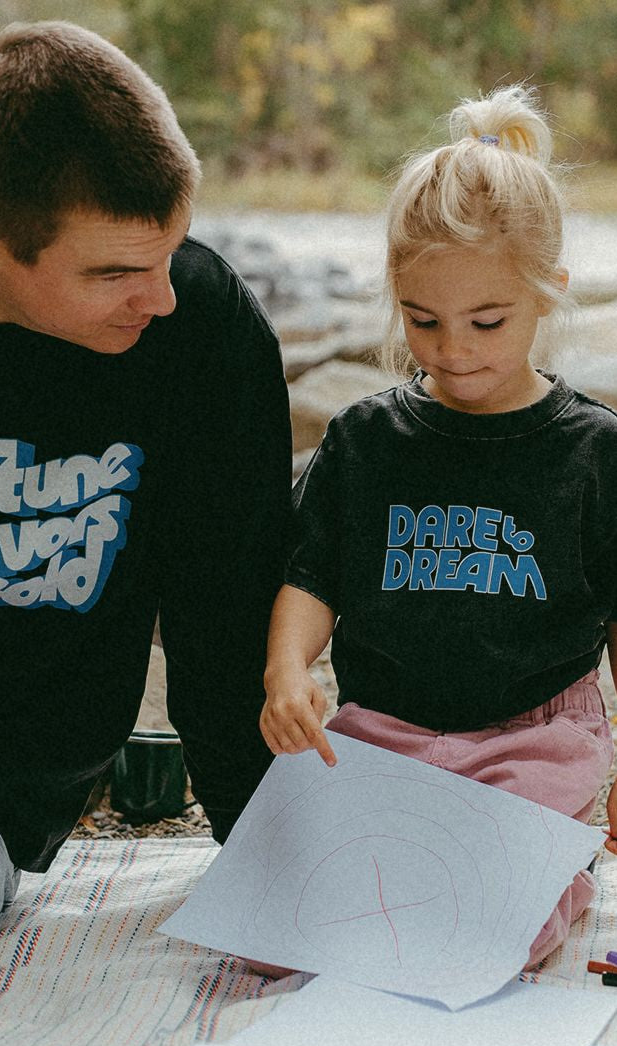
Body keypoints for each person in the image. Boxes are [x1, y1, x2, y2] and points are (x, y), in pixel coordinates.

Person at [0, 20, 291, 1041]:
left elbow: (224, 644)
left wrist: (281, 876)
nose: (162, 294)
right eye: (113, 273)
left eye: (172, 251)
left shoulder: (201, 335)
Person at [259, 84, 617, 970]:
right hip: (384, 732)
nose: (452, 348)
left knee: (488, 928)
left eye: (485, 321)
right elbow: (312, 576)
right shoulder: (364, 436)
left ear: (548, 295)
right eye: (422, 321)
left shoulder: (592, 449)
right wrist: (286, 668)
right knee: (283, 929)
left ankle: (552, 869)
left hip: (534, 738)